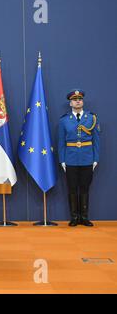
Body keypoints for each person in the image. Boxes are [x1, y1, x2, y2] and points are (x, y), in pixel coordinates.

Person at [58, 89, 100, 227]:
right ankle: (74, 217)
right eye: (75, 99)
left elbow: (96, 140)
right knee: (71, 189)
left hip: (87, 158)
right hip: (70, 159)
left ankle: (84, 217)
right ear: (70, 103)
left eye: (80, 99)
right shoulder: (64, 120)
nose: (77, 101)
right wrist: (62, 160)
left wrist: (95, 158)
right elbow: (61, 141)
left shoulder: (91, 118)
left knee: (84, 188)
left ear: (83, 102)